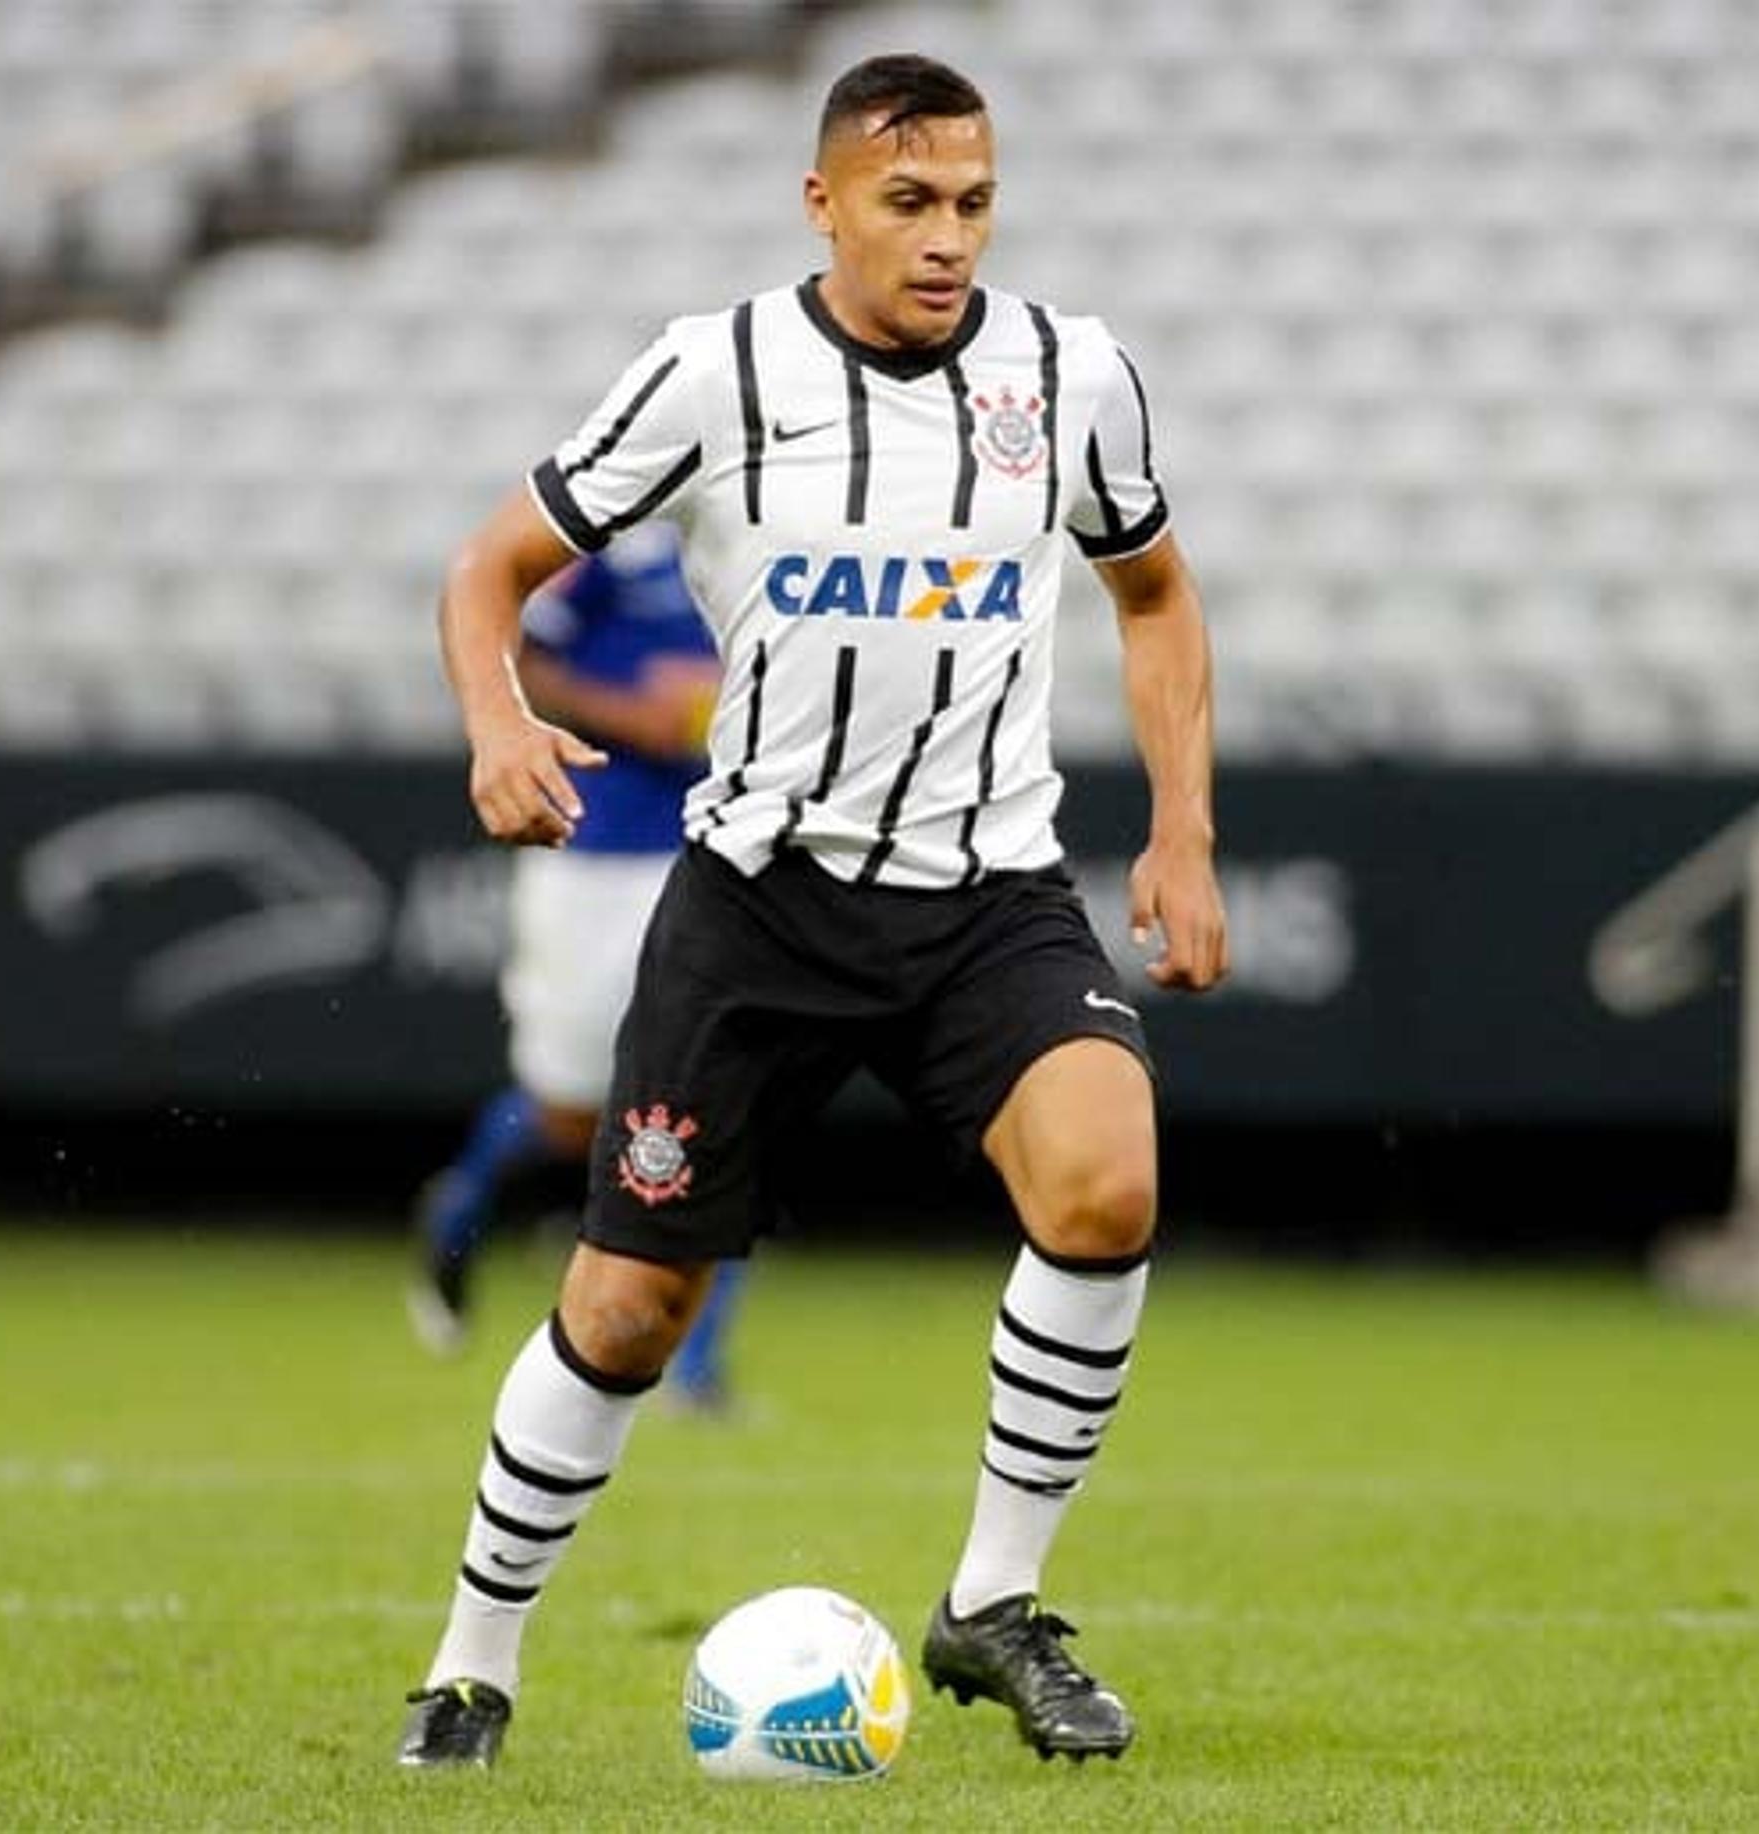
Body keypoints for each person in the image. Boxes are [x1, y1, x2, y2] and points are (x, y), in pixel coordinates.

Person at [397, 53, 1228, 1773]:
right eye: (909, 201)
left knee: (1110, 1174)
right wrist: (497, 719)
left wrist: (1183, 829)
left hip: (986, 892)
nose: (947, 237)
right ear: (824, 200)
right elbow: (487, 572)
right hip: (760, 905)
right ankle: (473, 1660)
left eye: (975, 202)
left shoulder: (1072, 377)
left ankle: (994, 1599)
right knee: (630, 1308)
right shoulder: (719, 372)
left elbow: (1152, 594)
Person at [405, 524, 745, 1409]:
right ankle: (460, 1208)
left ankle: (696, 1368)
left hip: (715, 851)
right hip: (593, 851)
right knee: (569, 1113)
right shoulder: (611, 563)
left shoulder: (763, 551)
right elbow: (514, 652)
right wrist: (636, 713)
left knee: (719, 1101)